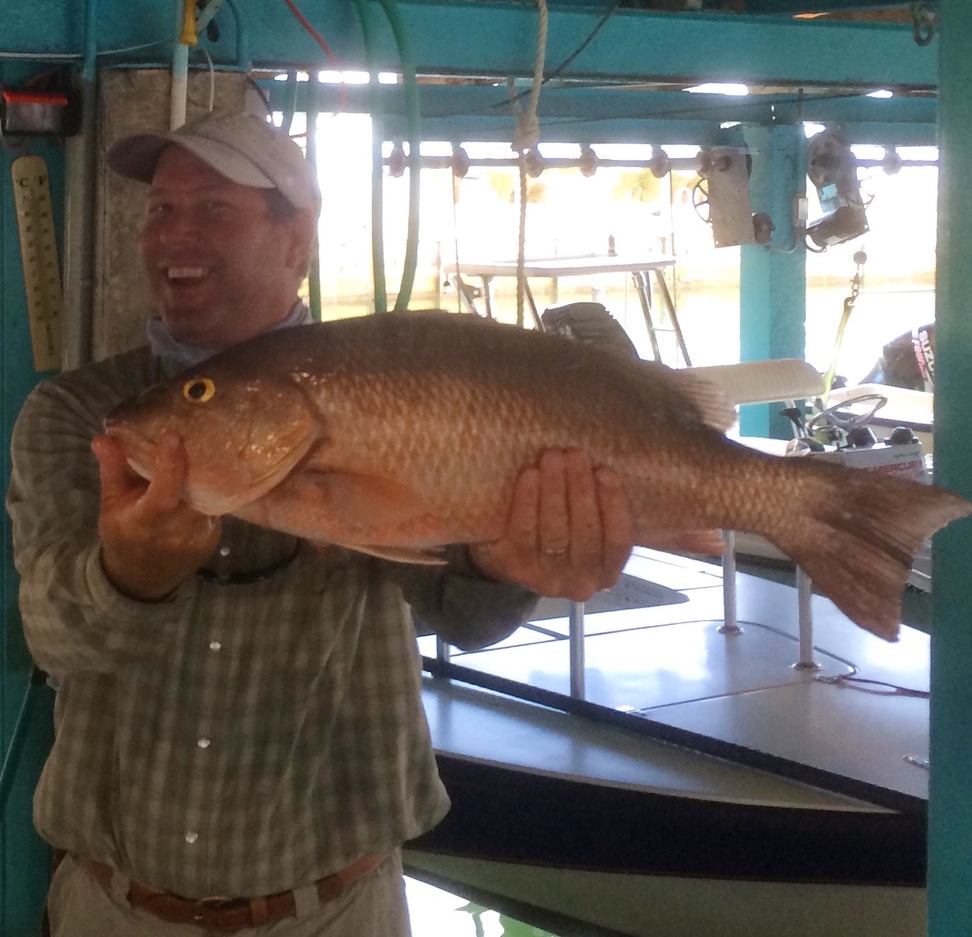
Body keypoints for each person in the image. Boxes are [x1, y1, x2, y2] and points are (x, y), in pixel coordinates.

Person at [6, 111, 635, 937]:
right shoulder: (83, 414)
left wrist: (507, 567)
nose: (172, 236)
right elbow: (50, 634)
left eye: (212, 209)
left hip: (335, 906)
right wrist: (126, 577)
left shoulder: (389, 386)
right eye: (160, 209)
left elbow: (466, 617)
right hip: (113, 905)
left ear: (296, 241)